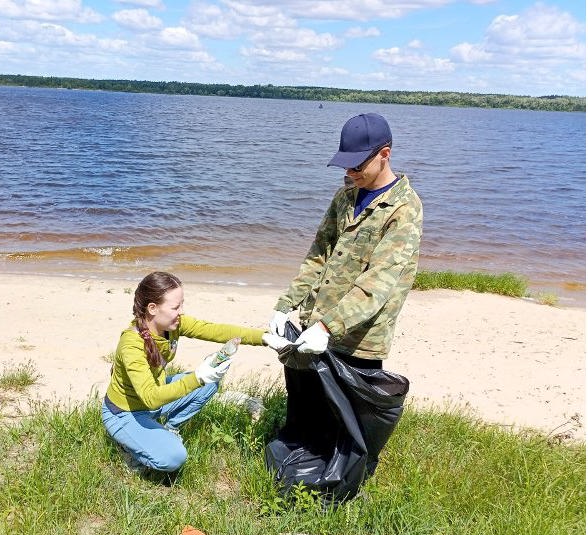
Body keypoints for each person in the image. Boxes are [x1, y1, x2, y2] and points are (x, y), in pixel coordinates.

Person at [269, 112, 423, 369]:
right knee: (302, 407)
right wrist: (286, 303)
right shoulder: (345, 196)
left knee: (346, 411)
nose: (350, 172)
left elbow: (378, 282)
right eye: (346, 165)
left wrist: (328, 328)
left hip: (358, 343)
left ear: (384, 155)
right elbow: (318, 254)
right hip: (312, 327)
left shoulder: (405, 208)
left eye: (357, 165)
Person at [103, 271, 289, 473]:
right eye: (175, 307)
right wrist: (197, 377)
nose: (181, 311)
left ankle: (170, 428)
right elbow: (150, 398)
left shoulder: (172, 325)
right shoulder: (131, 344)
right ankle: (129, 449)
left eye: (182, 304)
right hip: (125, 412)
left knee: (210, 383)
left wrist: (264, 338)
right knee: (173, 458)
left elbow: (215, 330)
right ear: (152, 308)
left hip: (155, 397)